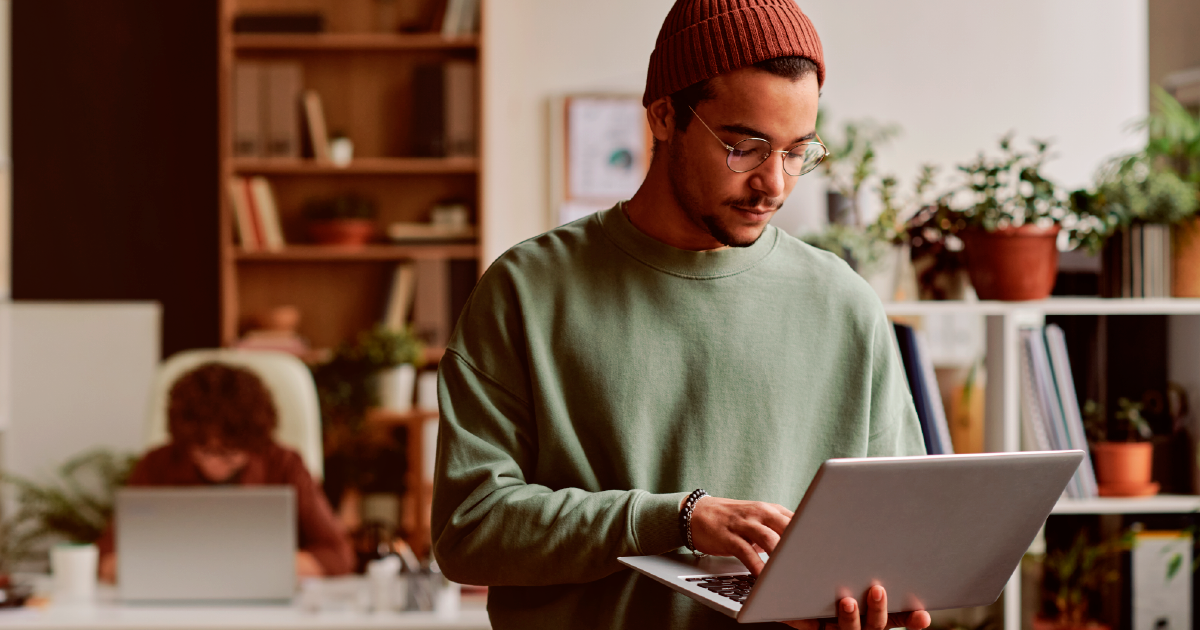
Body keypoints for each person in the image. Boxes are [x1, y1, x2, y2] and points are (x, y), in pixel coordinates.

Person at [431, 1, 932, 628]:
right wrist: (677, 519)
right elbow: (468, 527)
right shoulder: (526, 292)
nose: (774, 184)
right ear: (664, 116)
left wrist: (863, 605)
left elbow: (895, 534)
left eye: (797, 151)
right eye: (746, 148)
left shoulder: (845, 303)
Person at [98, 362, 354, 582]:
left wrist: (254, 567)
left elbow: (338, 556)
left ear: (255, 444)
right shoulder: (157, 464)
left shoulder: (285, 464)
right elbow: (106, 559)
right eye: (203, 450)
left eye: (230, 453)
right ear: (183, 439)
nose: (215, 463)